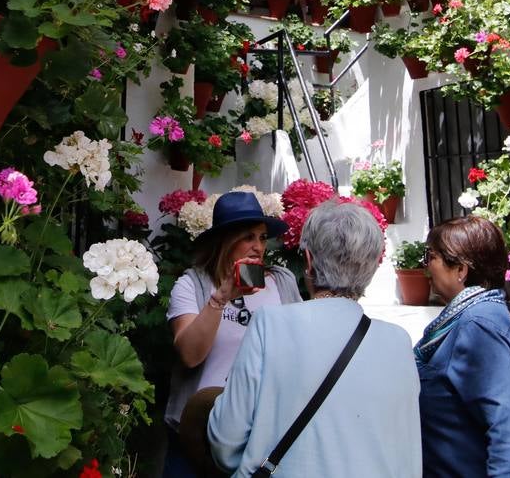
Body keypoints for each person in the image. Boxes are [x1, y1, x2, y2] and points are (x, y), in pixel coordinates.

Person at [207, 200, 422, 477]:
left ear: (308, 261)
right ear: (371, 267)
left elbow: (225, 441)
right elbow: (408, 455)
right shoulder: (398, 342)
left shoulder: (271, 324)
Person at [162, 191, 300, 478]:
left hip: (260, 433)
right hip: (197, 432)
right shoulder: (193, 285)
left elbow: (301, 348)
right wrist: (221, 297)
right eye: (248, 237)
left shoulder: (281, 283)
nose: (258, 246)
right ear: (224, 241)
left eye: (262, 238)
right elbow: (190, 355)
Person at [416, 215, 510, 477]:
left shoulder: (479, 326)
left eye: (431, 257)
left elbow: (508, 436)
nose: (425, 266)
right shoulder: (474, 319)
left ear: (461, 270)